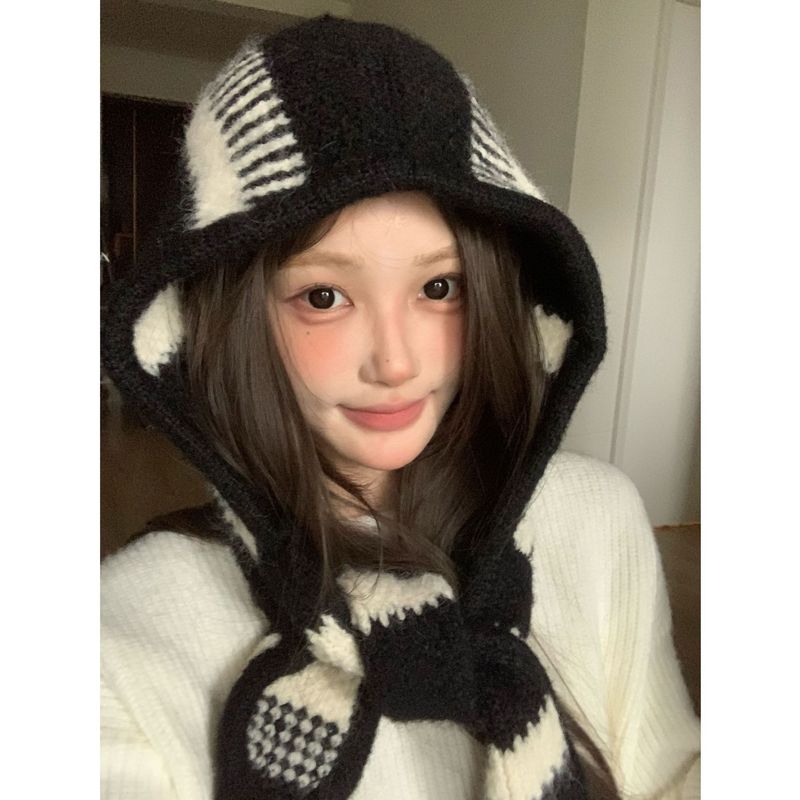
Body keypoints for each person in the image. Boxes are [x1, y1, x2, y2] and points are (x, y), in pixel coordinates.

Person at [101, 14, 700, 800]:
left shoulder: (598, 520)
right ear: (227, 323)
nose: (397, 362)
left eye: (440, 287)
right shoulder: (119, 643)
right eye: (324, 296)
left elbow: (670, 772)